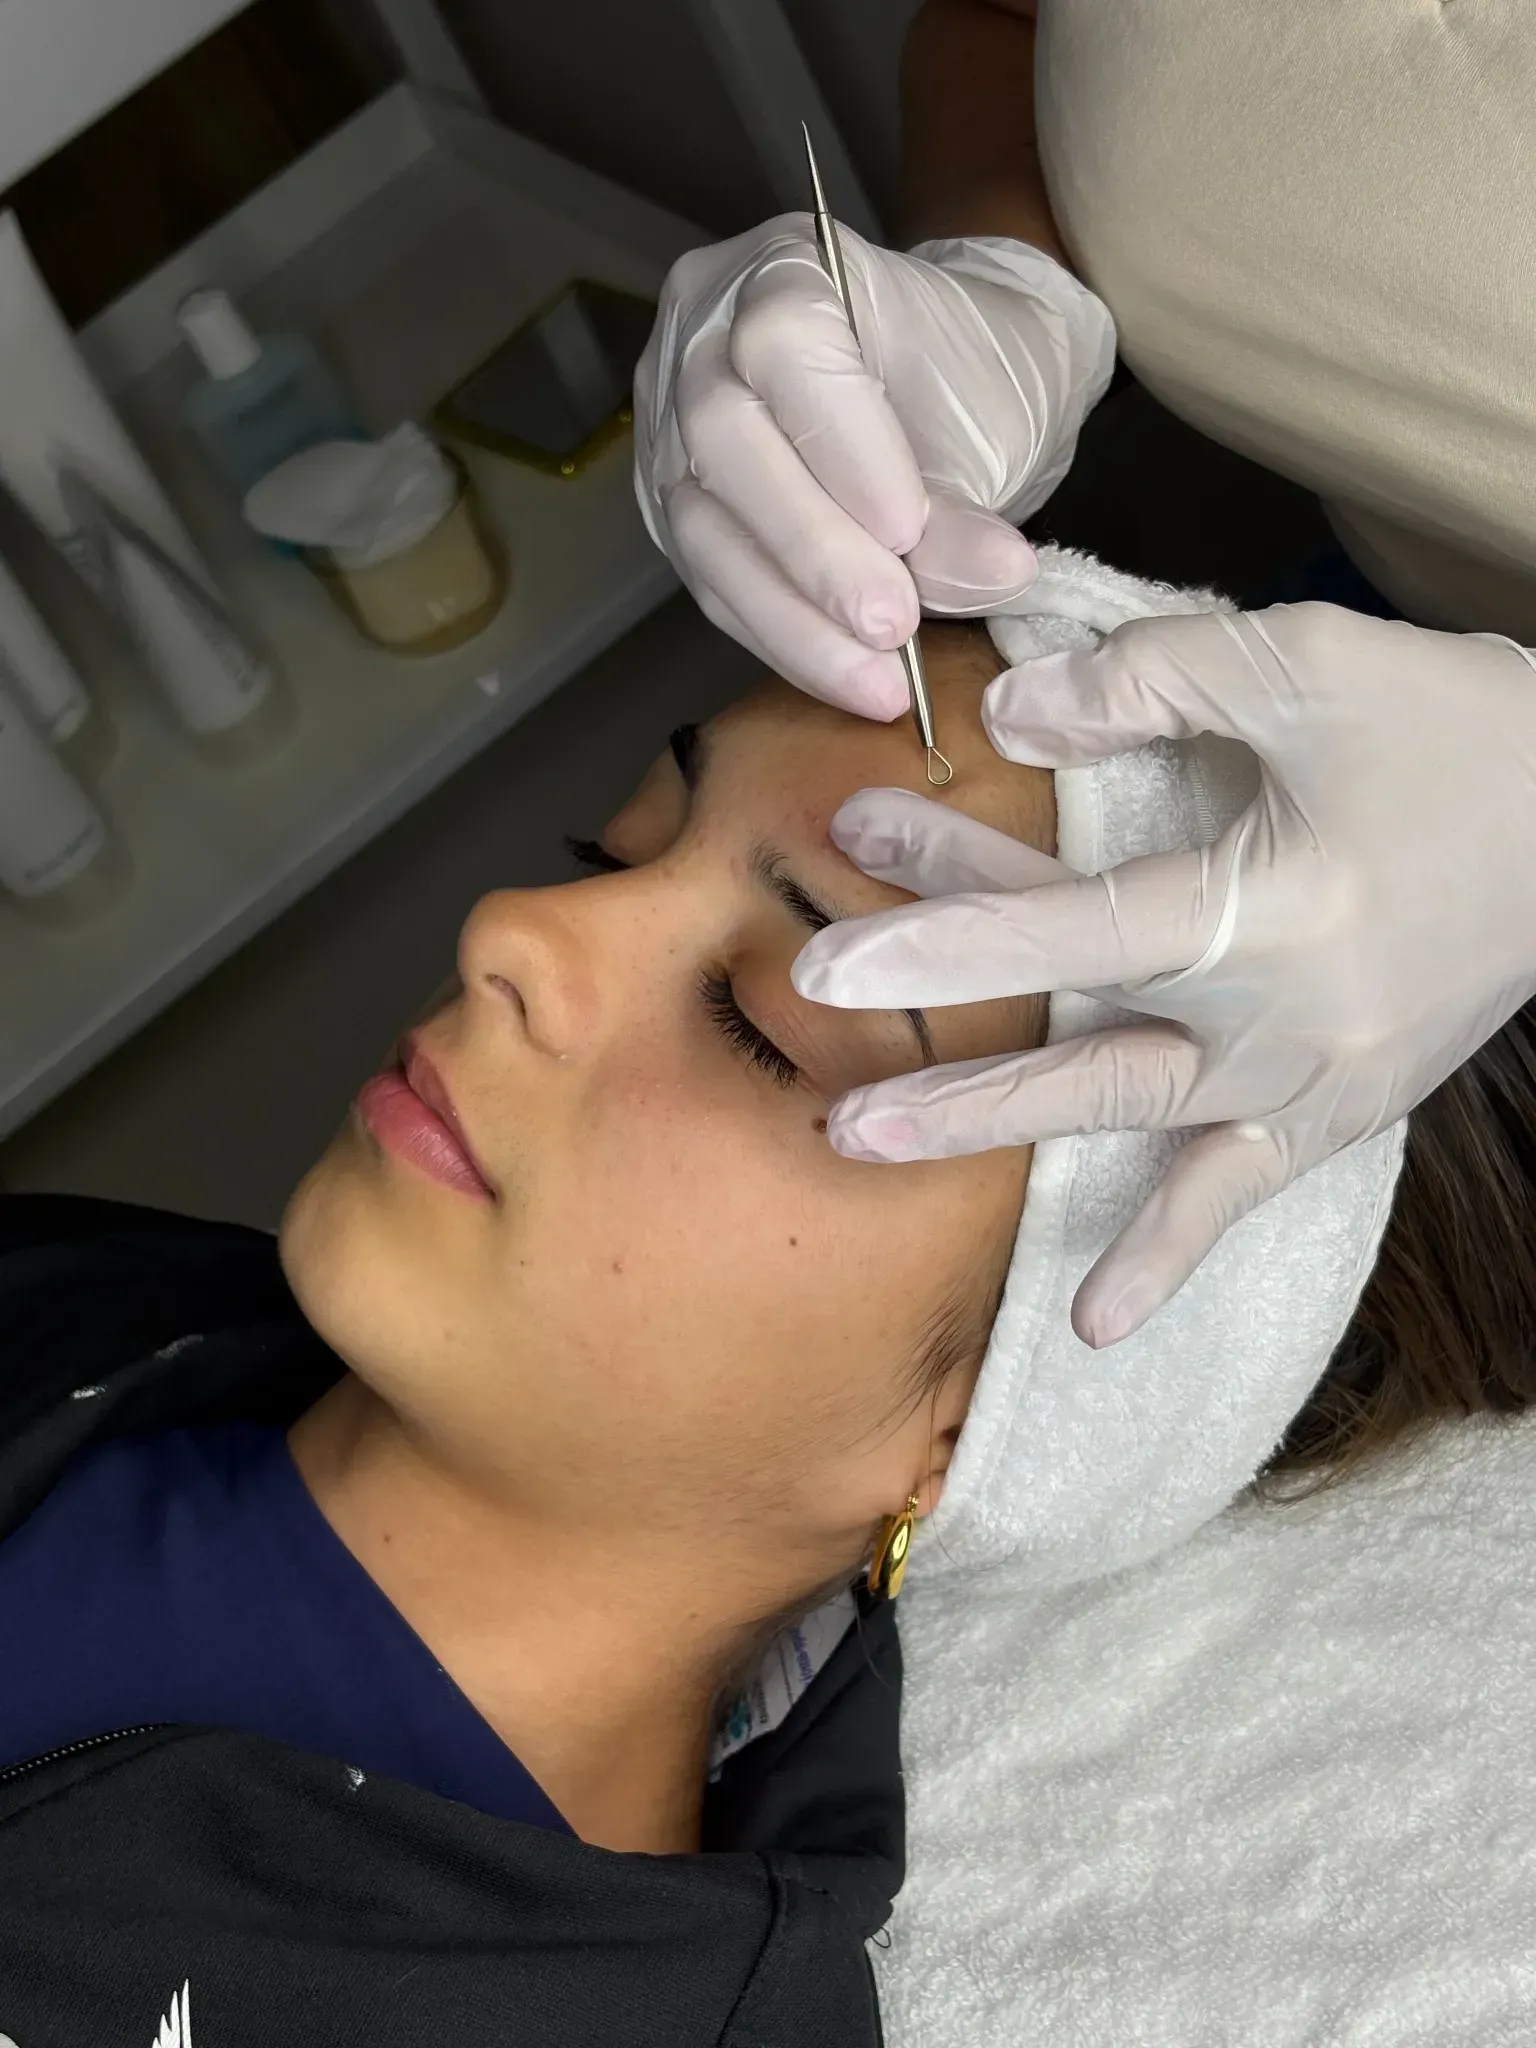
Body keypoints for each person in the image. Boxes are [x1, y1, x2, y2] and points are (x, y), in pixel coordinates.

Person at [3, 621, 1534, 2043]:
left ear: (979, 1427)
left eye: (764, 1020)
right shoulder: (86, 1291)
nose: (516, 930)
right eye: (612, 850)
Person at [632, 0, 1536, 1340]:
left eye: (760, 1023)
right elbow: (1004, 22)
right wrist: (1008, 274)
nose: (499, 934)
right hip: (1365, 670)